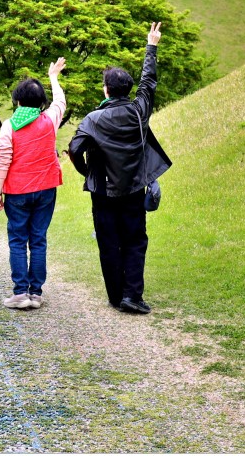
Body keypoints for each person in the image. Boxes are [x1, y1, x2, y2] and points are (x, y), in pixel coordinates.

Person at [68, 22, 172, 315]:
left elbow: (74, 150)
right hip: (134, 189)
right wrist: (151, 46)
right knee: (135, 241)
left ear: (106, 90)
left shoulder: (92, 119)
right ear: (127, 90)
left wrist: (87, 172)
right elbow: (148, 82)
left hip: (102, 191)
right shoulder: (139, 111)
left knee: (108, 242)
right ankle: (132, 295)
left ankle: (116, 296)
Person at [0, 56, 68, 310]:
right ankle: (36, 293)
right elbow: (60, 102)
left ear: (18, 101)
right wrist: (53, 77)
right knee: (38, 239)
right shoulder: (50, 120)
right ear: (41, 102)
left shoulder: (9, 126)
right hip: (46, 189)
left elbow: (3, 160)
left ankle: (20, 293)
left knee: (17, 239)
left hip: (17, 191)